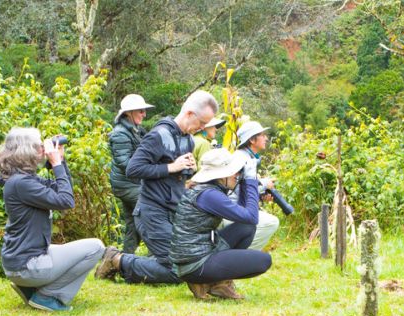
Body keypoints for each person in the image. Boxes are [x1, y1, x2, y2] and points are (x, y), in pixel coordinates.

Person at [95, 90, 218, 284]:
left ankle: (131, 261)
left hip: (173, 211)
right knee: (178, 270)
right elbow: (133, 169)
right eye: (201, 123)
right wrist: (171, 167)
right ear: (189, 114)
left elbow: (176, 177)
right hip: (152, 212)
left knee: (187, 263)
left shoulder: (188, 139)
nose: (203, 127)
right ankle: (118, 260)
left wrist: (188, 171)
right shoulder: (159, 135)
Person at [0, 127, 106, 312]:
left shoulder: (21, 180)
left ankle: (30, 287)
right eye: (39, 145)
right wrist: (55, 165)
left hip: (20, 261)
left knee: (67, 250)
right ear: (27, 151)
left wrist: (60, 162)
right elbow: (66, 201)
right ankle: (48, 296)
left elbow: (62, 189)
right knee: (96, 247)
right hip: (26, 265)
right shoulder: (22, 184)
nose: (43, 147)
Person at [169, 148, 272, 299]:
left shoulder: (208, 190)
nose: (236, 174)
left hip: (194, 254)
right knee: (264, 260)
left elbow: (245, 218)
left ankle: (216, 283)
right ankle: (206, 281)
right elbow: (252, 216)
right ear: (221, 175)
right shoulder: (210, 195)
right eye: (234, 172)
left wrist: (244, 183)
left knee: (246, 228)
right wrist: (250, 180)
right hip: (194, 264)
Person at [223, 121, 280, 250]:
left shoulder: (247, 156)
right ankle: (241, 257)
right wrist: (265, 185)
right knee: (271, 222)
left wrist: (260, 195)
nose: (266, 138)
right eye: (262, 135)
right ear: (252, 140)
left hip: (237, 208)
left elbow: (245, 189)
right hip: (231, 211)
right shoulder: (241, 158)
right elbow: (236, 189)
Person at [109, 94, 153, 254]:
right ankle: (156, 258)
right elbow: (125, 164)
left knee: (133, 225)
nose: (144, 114)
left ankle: (123, 261)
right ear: (129, 113)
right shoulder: (120, 133)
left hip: (130, 184)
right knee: (151, 212)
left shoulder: (135, 130)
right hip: (127, 186)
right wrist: (149, 171)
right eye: (141, 111)